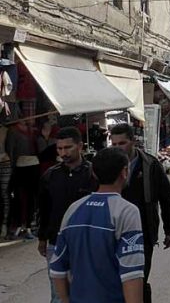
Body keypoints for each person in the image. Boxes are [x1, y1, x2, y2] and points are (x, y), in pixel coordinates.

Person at [50, 147, 144, 303]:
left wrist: (66, 299)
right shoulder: (126, 211)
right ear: (125, 172)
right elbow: (131, 273)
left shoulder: (74, 209)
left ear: (93, 173)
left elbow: (57, 267)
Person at [110, 123, 170, 303]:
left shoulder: (150, 165)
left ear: (133, 142)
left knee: (138, 281)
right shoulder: (106, 166)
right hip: (113, 234)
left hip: (143, 234)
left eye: (121, 143)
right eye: (114, 144)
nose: (117, 148)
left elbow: (167, 199)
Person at [38, 127, 98, 303]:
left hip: (86, 242)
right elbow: (44, 210)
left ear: (80, 146)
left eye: (68, 147)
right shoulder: (50, 176)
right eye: (59, 148)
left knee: (87, 290)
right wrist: (42, 238)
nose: (63, 152)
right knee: (58, 294)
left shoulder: (94, 174)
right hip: (56, 243)